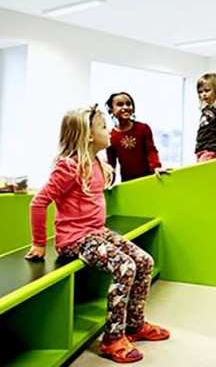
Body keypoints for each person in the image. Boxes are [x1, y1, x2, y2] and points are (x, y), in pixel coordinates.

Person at [25, 105, 169, 363]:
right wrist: (38, 243)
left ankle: (135, 326)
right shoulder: (69, 167)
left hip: (97, 232)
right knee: (125, 267)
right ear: (89, 135)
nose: (109, 131)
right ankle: (112, 339)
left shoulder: (97, 162)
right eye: (103, 127)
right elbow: (38, 202)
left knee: (144, 261)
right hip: (75, 240)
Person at [105, 92, 168, 182]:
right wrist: (108, 182)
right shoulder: (110, 137)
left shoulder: (143, 128)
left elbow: (151, 150)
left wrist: (156, 167)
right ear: (111, 111)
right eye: (120, 104)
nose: (125, 107)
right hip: (128, 182)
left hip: (149, 178)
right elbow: (111, 164)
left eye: (128, 104)